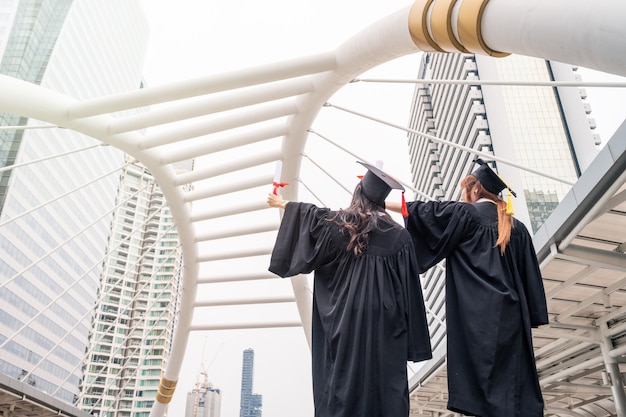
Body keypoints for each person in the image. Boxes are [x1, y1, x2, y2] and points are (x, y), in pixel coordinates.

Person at [267, 161, 432, 417]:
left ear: (358, 193)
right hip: (385, 328)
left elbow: (310, 216)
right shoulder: (400, 237)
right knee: (385, 390)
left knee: (339, 384)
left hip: (342, 324)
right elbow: (410, 291)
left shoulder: (336, 224)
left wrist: (283, 204)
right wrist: (414, 344)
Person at [387, 158, 548, 417]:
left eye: (464, 189)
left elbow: (423, 212)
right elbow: (531, 280)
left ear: (474, 189)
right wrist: (533, 315)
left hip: (477, 320)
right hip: (513, 320)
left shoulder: (466, 215)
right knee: (511, 391)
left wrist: (381, 202)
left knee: (482, 392)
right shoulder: (517, 228)